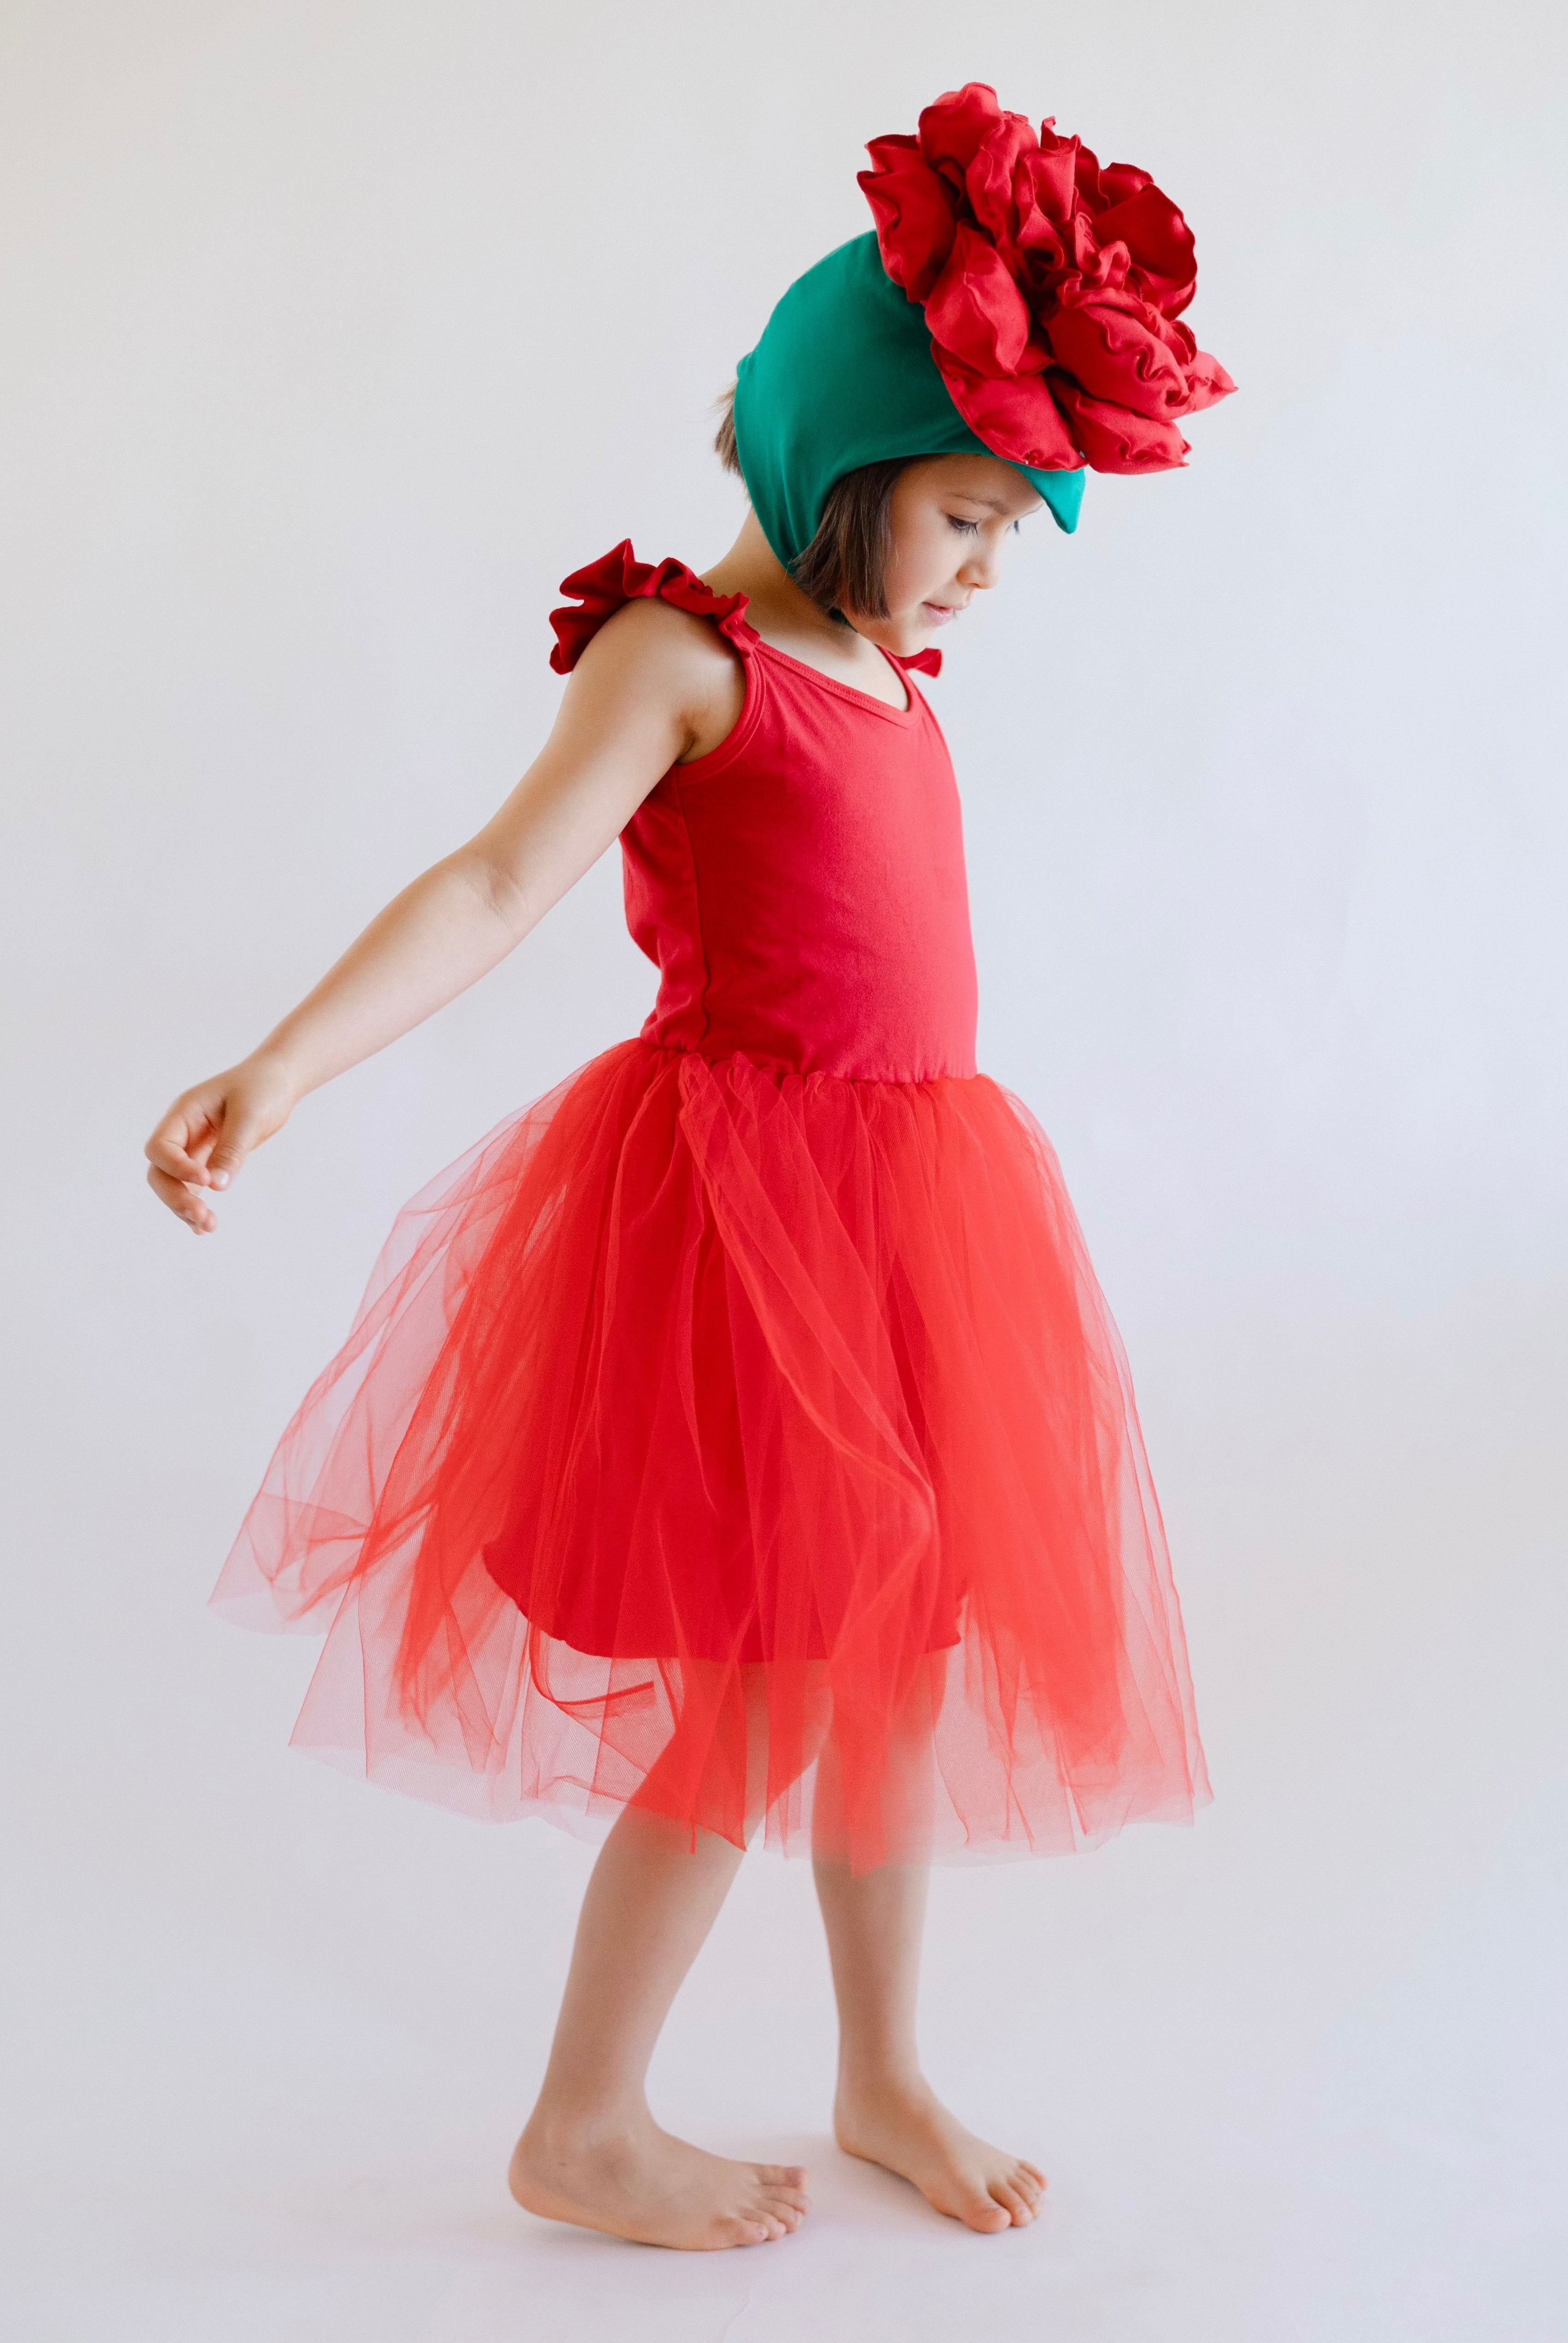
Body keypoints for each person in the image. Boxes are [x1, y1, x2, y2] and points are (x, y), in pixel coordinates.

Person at [144, 83, 1231, 2253]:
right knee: (750, 1707)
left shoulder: (888, 672)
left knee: (890, 1675)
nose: (987, 571)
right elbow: (491, 883)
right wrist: (283, 1064)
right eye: (966, 518)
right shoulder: (687, 663)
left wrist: (945, 584)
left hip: (917, 1228)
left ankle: (882, 2072)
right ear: (837, 468)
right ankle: (583, 2118)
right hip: (749, 1247)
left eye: (1009, 534)